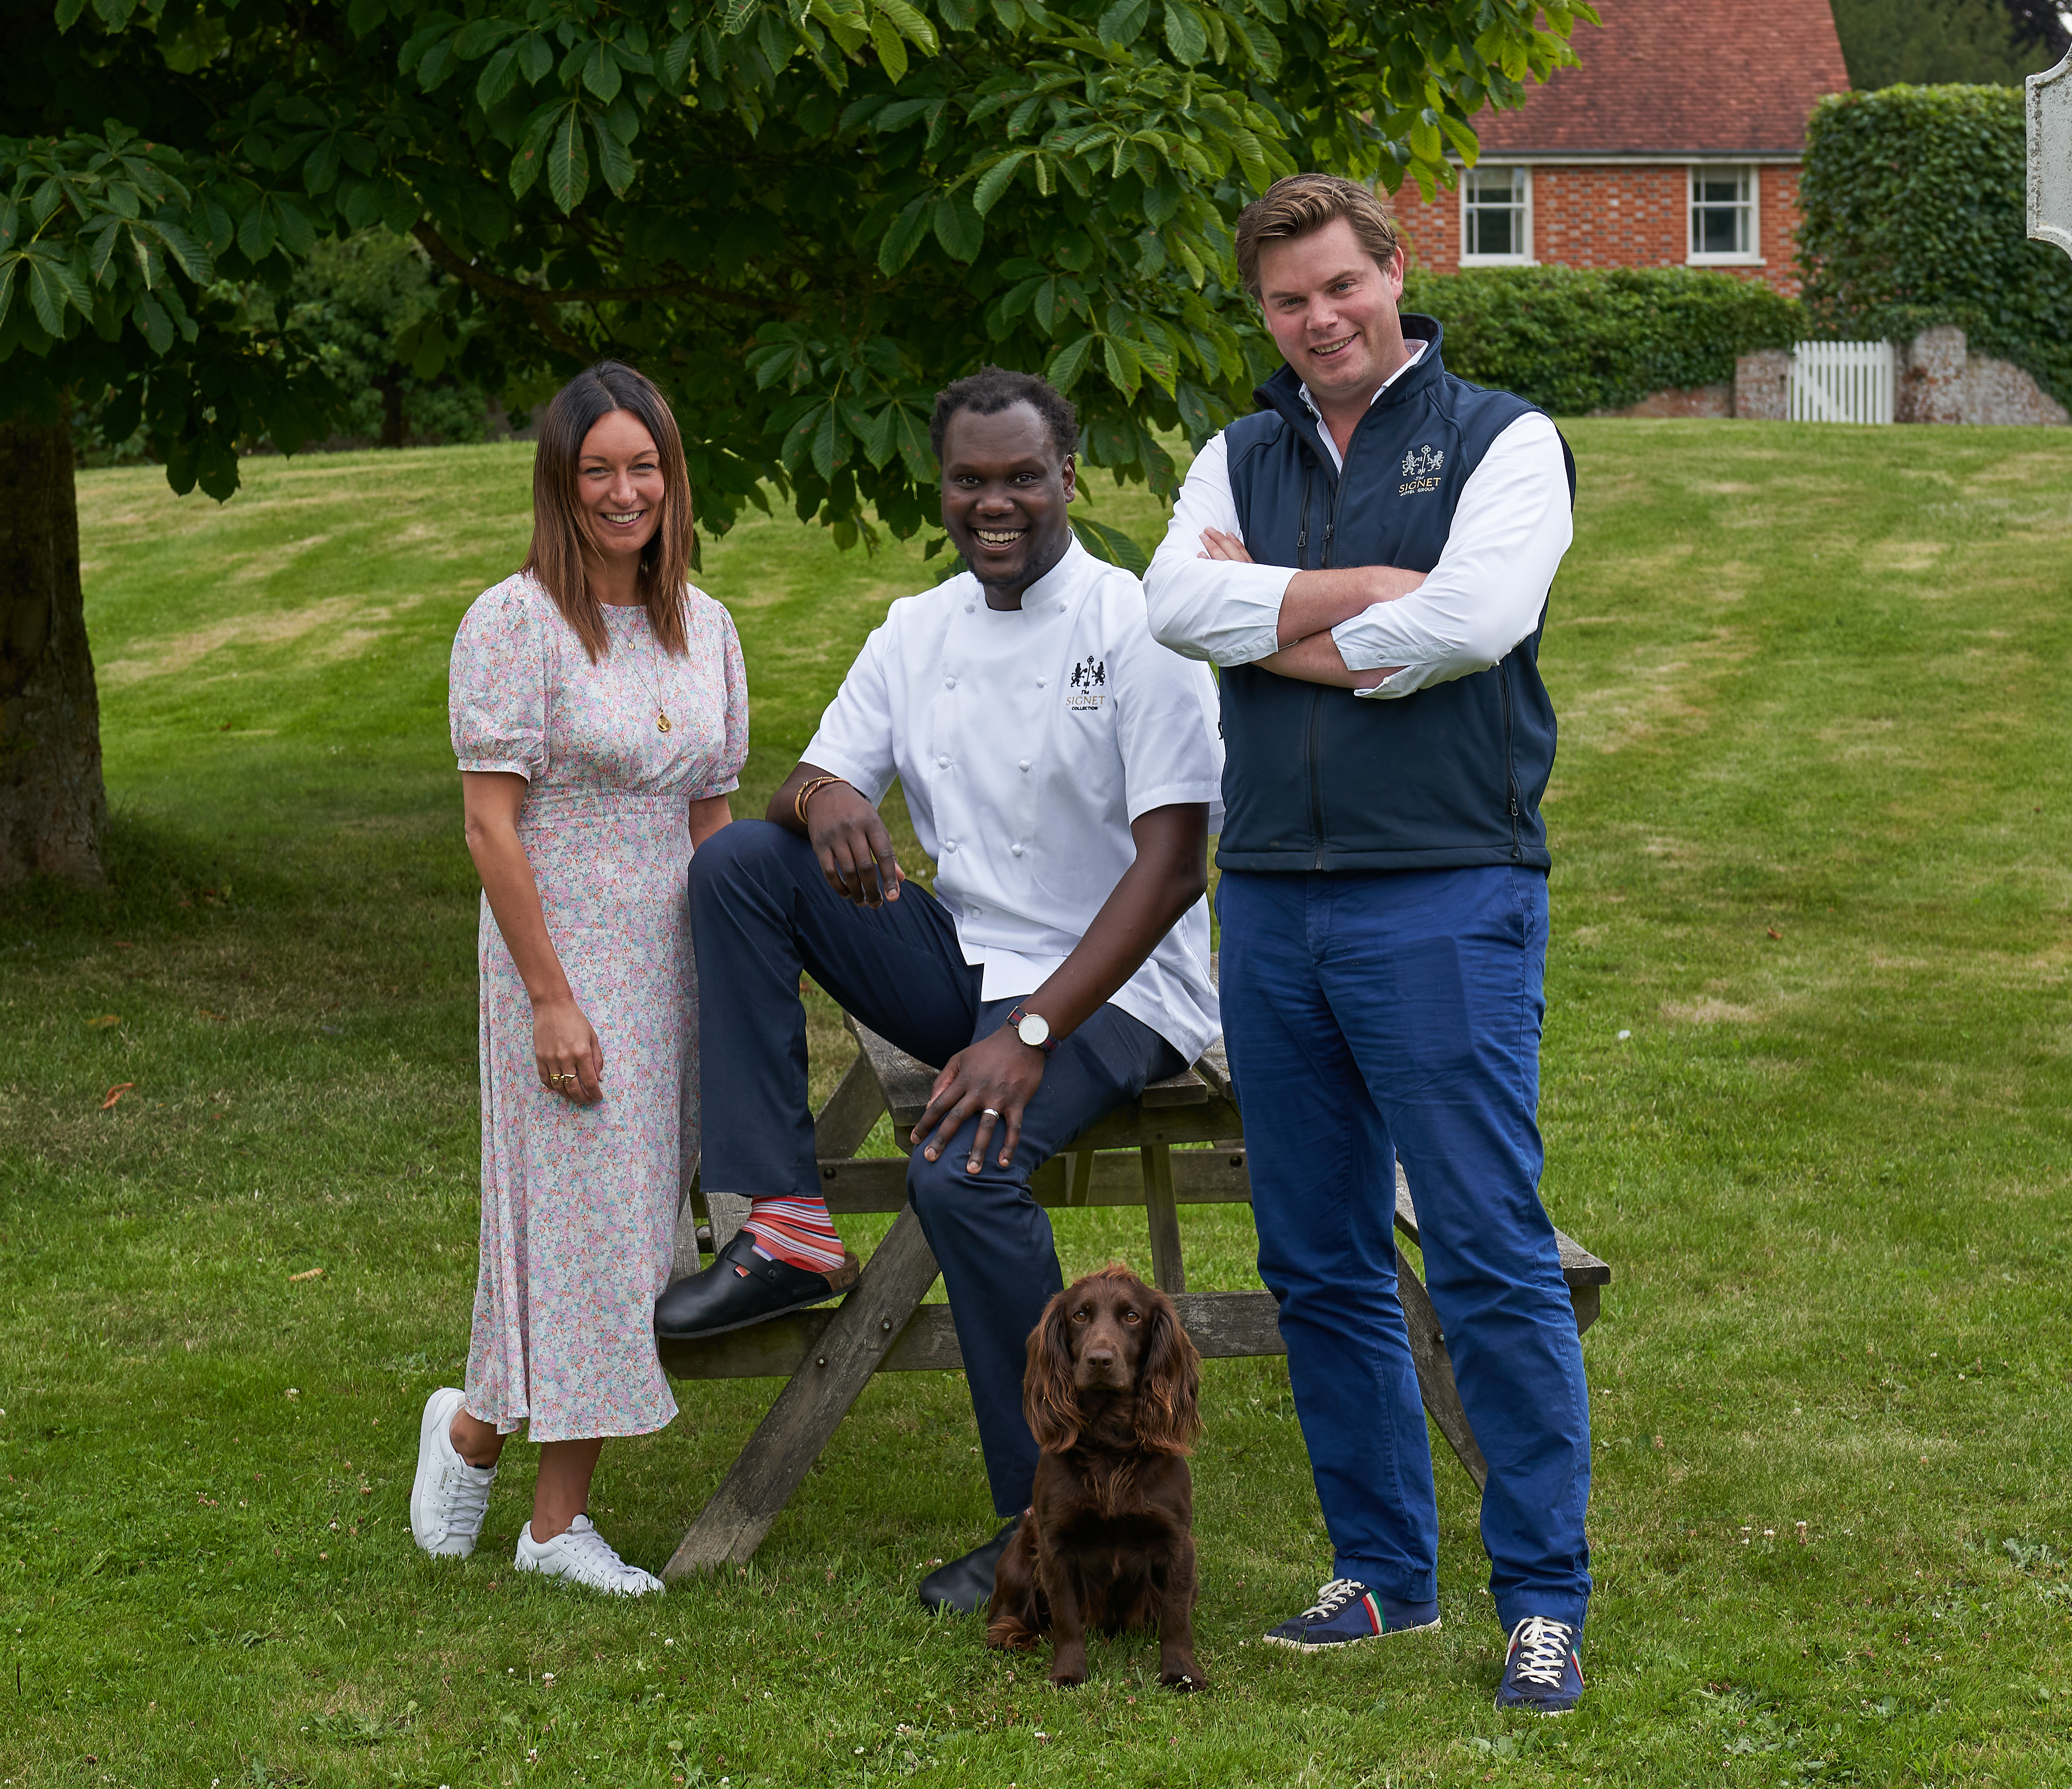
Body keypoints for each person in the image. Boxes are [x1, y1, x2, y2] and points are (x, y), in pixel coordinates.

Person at [653, 366, 1224, 1613]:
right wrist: (829, 796)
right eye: (971, 480)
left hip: (1121, 985)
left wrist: (1027, 1034)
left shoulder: (1140, 628)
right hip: (966, 955)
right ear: (945, 488)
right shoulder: (918, 630)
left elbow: (1174, 867)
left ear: (1068, 475)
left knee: (961, 1167)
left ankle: (1052, 1522)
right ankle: (787, 1228)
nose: (996, 501)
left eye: (1023, 475)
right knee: (748, 863)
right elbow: (794, 791)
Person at [1142, 173, 1590, 1714]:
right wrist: (1349, 602)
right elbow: (1169, 602)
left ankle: (1541, 1594)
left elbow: (1474, 622)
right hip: (1267, 896)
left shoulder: (1503, 439)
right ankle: (1384, 1573)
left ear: (1397, 272)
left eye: (1341, 285)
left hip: (1442, 887)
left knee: (1483, 1249)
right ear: (1261, 312)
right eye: (1286, 300)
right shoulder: (1238, 448)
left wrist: (1276, 633)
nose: (1319, 319)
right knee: (1318, 1256)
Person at [409, 361, 747, 1595]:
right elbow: (492, 828)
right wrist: (551, 993)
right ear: (560, 483)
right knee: (592, 1229)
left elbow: (713, 819)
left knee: (620, 1227)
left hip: (673, 965)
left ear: (672, 477)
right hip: (560, 958)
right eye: (597, 469)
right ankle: (556, 1530)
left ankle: (472, 1432)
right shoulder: (514, 624)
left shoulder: (701, 625)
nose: (624, 491)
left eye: (643, 466)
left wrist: (744, 978)